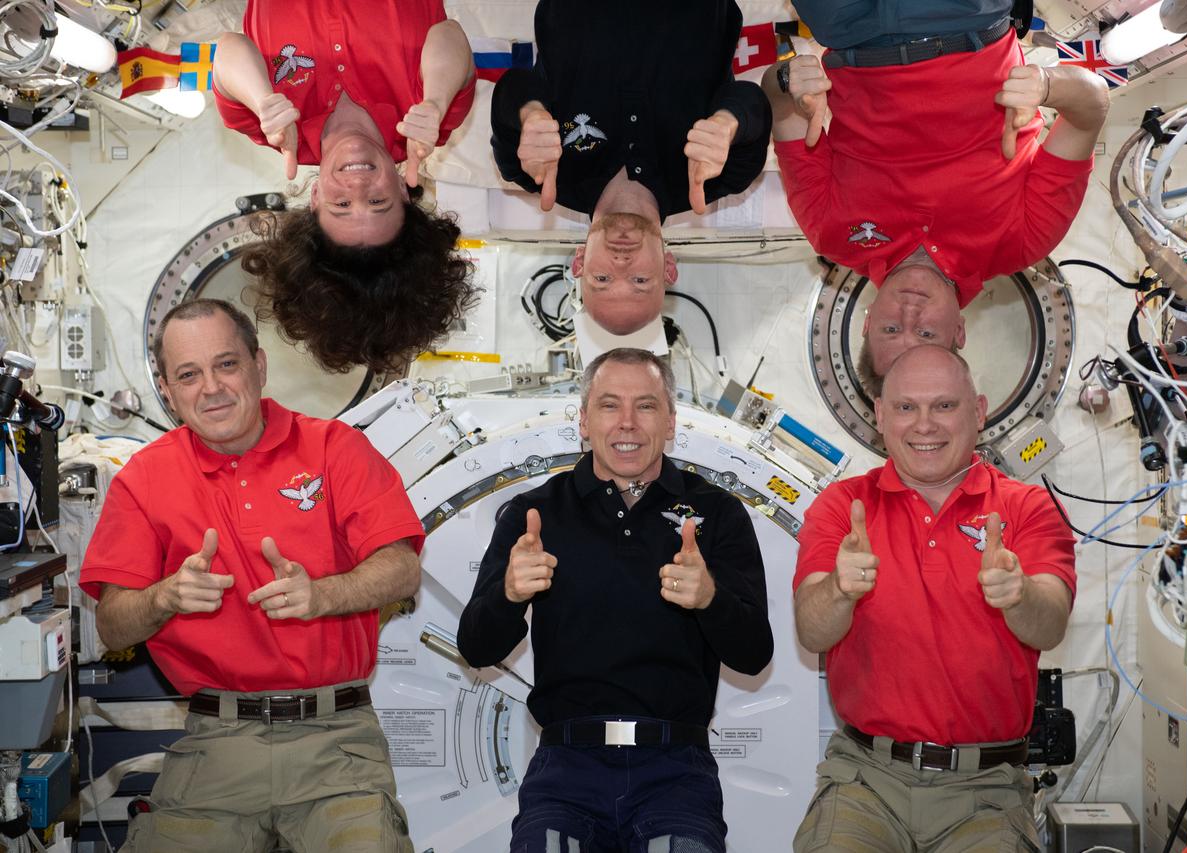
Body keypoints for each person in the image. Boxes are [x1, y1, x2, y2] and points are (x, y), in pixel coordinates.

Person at [78, 299, 425, 852]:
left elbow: (402, 568)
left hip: (335, 743)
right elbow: (114, 626)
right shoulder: (144, 479)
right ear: (166, 390)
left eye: (226, 364)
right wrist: (164, 597)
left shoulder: (335, 449)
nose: (211, 387)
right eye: (188, 375)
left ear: (259, 367)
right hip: (216, 743)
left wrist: (323, 594)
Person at [457, 347, 773, 852]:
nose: (627, 422)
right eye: (609, 405)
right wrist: (509, 594)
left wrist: (711, 598)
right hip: (565, 771)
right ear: (583, 420)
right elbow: (475, 646)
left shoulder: (718, 512)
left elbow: (755, 655)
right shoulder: (534, 513)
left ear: (670, 422)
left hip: (677, 773)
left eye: (646, 405)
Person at [792, 344, 1075, 852]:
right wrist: (838, 589)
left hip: (986, 792)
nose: (925, 424)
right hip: (865, 783)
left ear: (979, 411)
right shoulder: (841, 508)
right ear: (880, 415)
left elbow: (1049, 624)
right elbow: (811, 631)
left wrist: (1019, 594)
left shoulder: (1027, 507)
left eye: (944, 405)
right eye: (906, 407)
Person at [765, 1, 1109, 392]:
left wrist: (786, 80)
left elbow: (778, 105)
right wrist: (1047, 85)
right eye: (927, 333)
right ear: (959, 332)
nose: (910, 313)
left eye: (891, 328)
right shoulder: (1023, 239)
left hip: (848, 26)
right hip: (966, 17)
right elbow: (1093, 107)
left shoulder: (829, 232)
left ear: (867, 321)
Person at [212, 0, 478, 372]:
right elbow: (449, 35)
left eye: (341, 206)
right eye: (377, 201)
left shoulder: (270, 126)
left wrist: (263, 100)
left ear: (315, 200)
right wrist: (435, 100)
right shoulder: (426, 121)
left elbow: (228, 47)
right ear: (404, 192)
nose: (356, 184)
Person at [490, 0, 771, 336]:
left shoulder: (535, 169)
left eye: (602, 279)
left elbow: (513, 86)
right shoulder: (719, 174)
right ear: (668, 269)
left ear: (579, 263)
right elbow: (753, 100)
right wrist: (728, 124)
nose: (621, 264)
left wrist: (530, 115)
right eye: (640, 280)